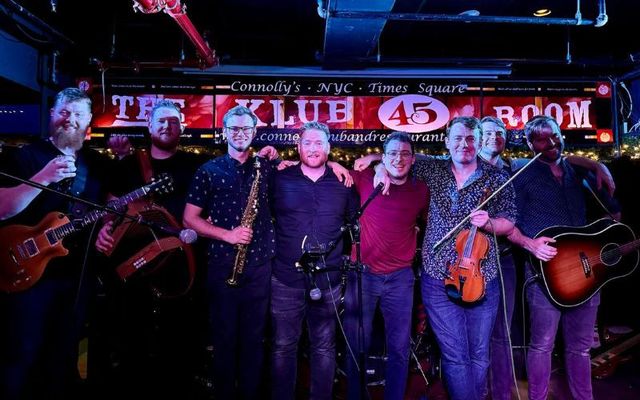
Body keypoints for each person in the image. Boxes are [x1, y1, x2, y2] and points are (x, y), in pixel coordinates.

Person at [92, 99, 209, 399]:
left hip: (182, 269)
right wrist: (106, 227)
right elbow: (111, 205)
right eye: (161, 121)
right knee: (133, 342)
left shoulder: (197, 165)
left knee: (180, 345)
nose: (167, 126)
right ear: (149, 126)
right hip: (134, 267)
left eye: (173, 121)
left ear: (182, 127)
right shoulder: (129, 165)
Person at [0, 88, 111, 399]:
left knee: (63, 356)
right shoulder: (23, 156)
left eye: (77, 114)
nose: (70, 120)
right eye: (64, 112)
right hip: (28, 276)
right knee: (21, 354)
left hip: (76, 276)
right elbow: (3, 208)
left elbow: (105, 209)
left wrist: (106, 227)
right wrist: (44, 178)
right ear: (51, 114)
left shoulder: (96, 166)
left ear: (89, 121)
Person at [507, 115, 620, 400]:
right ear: (531, 145)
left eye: (554, 135)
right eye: (542, 139)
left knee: (580, 347)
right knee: (542, 345)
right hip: (545, 274)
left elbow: (613, 211)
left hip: (586, 274)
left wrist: (597, 164)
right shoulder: (523, 176)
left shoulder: (575, 172)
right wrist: (530, 244)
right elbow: (510, 223)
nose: (550, 143)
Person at [269, 121, 358, 400]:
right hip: (286, 279)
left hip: (328, 280)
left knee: (324, 346)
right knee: (283, 346)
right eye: (307, 142)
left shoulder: (344, 183)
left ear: (329, 148)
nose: (313, 148)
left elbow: (355, 224)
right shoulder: (280, 179)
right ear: (298, 147)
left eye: (319, 143)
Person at [344, 131, 429, 400]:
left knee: (399, 348)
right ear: (385, 154)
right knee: (357, 343)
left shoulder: (421, 190)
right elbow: (332, 170)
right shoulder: (365, 179)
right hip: (363, 276)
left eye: (405, 153)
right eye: (392, 153)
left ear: (413, 159)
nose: (399, 159)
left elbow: (427, 224)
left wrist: (377, 157)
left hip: (400, 279)